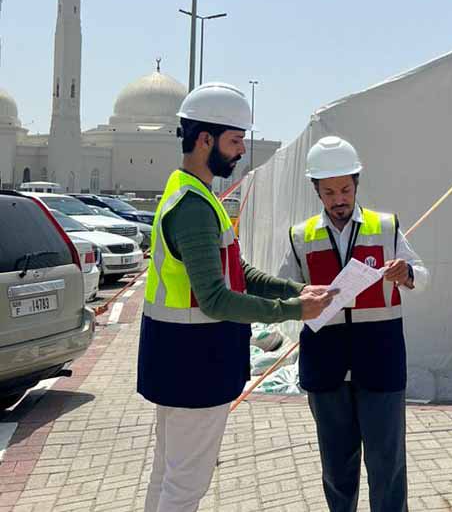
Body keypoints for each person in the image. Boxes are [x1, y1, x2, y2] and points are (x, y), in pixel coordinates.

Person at [138, 82, 338, 512]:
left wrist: (294, 288)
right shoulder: (193, 207)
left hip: (178, 360)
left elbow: (236, 271)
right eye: (235, 140)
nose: (241, 150)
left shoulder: (193, 193)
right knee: (186, 485)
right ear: (205, 139)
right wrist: (292, 310)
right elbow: (215, 298)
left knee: (168, 476)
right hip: (194, 365)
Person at [278, 136, 429, 512]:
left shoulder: (385, 226)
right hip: (326, 368)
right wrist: (302, 300)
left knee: (387, 466)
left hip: (380, 363)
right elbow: (283, 290)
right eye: (329, 192)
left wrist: (405, 273)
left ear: (357, 184)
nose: (339, 198)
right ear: (317, 191)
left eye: (345, 188)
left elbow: (423, 276)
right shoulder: (301, 236)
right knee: (336, 468)